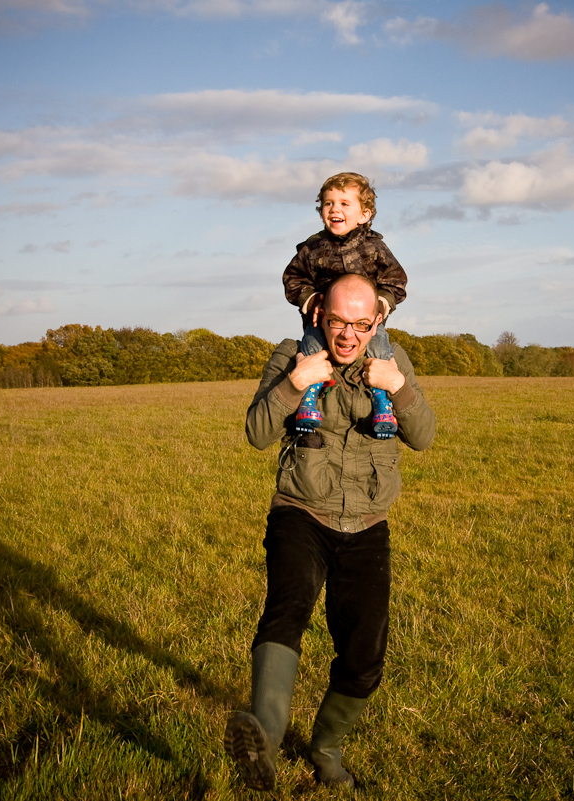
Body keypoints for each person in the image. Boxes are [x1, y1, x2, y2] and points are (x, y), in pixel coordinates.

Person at [224, 273, 436, 791]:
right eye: (338, 320)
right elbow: (256, 433)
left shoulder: (391, 362)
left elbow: (425, 437)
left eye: (361, 324)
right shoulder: (292, 355)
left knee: (366, 654)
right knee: (287, 608)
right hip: (301, 510)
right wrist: (295, 383)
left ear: (377, 322)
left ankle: (326, 750)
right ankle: (264, 743)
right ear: (319, 314)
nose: (348, 335)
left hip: (367, 521)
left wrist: (398, 388)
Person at [282, 172, 408, 440]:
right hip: (322, 322)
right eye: (328, 203)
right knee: (311, 349)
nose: (334, 209)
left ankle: (382, 404)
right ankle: (308, 401)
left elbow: (396, 282)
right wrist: (310, 299)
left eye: (344, 203)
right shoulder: (312, 248)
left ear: (365, 214)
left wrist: (380, 308)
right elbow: (292, 279)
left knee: (380, 351)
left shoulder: (375, 248)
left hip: (366, 326)